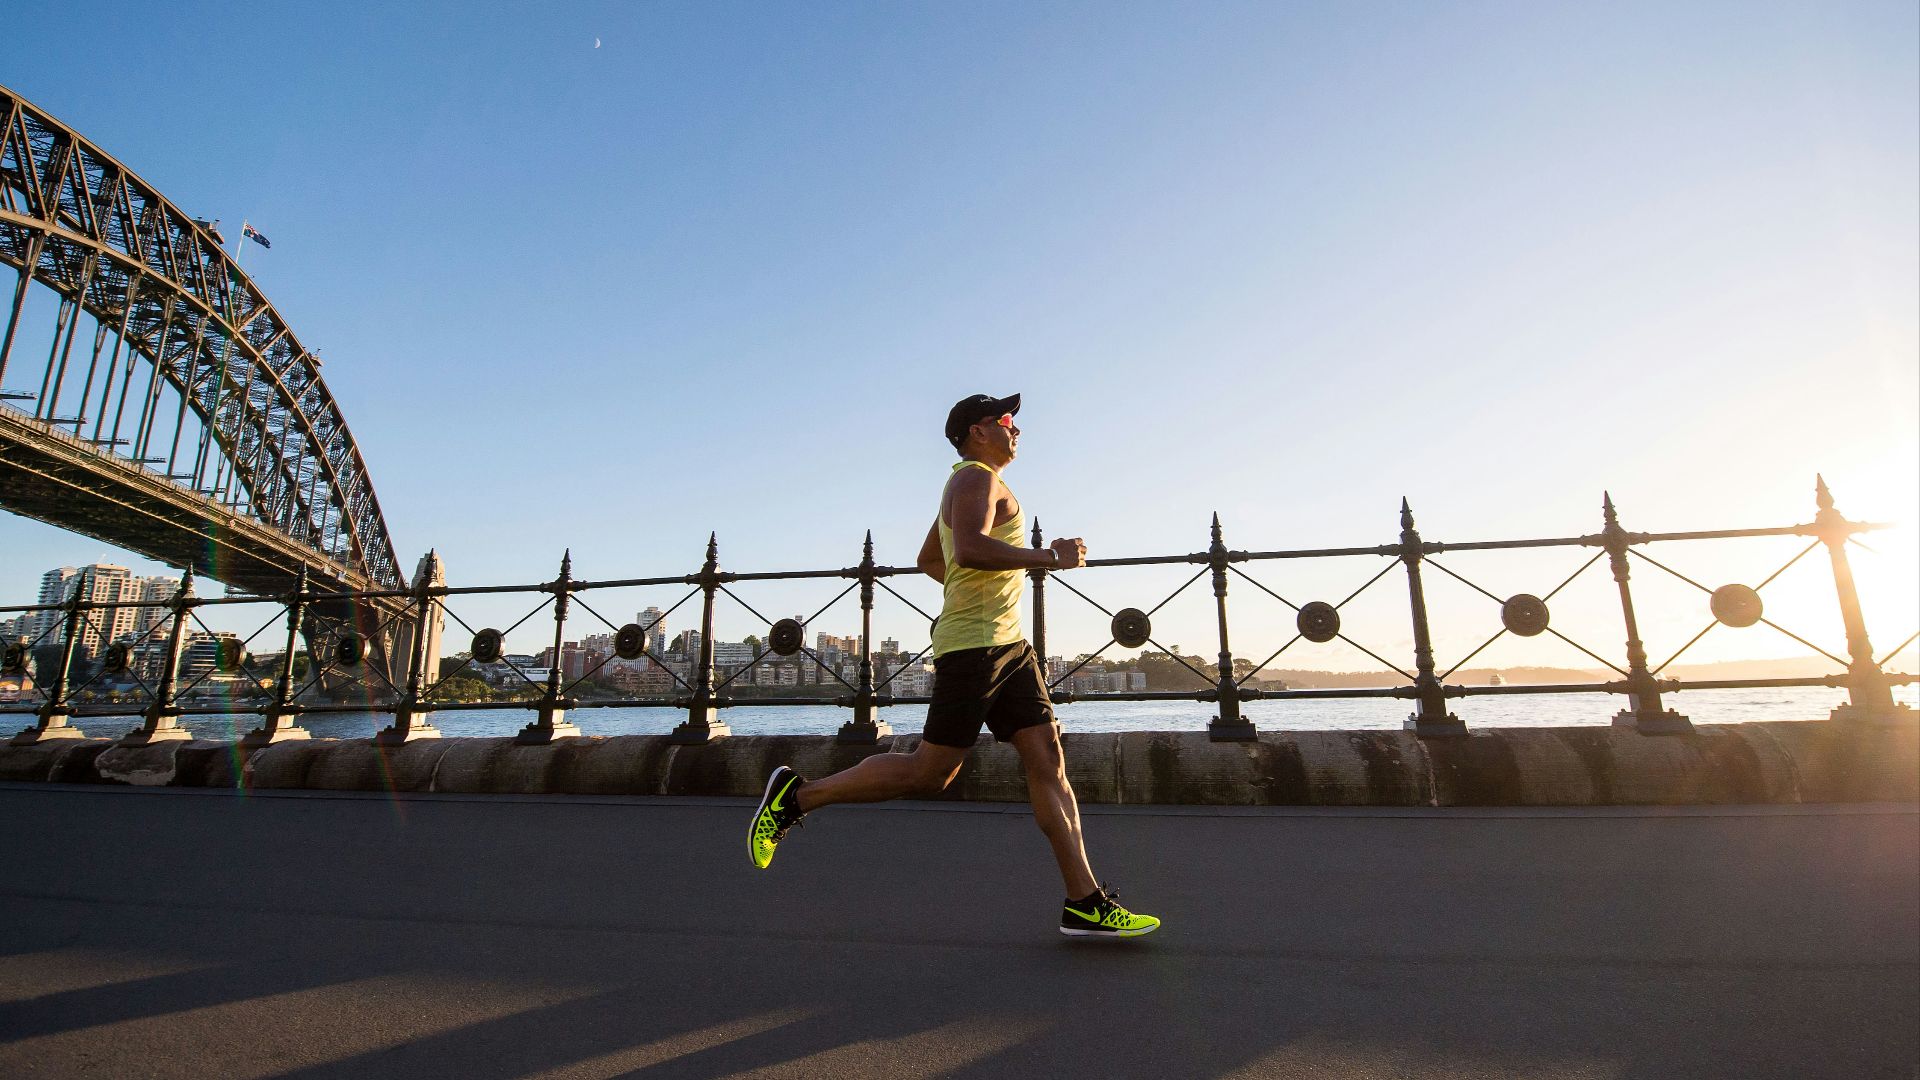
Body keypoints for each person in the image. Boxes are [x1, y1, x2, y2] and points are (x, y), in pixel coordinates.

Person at [747, 393, 1160, 939]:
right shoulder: (974, 479)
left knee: (1048, 758)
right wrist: (1048, 558)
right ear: (975, 431)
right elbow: (966, 549)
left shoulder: (978, 482)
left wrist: (978, 596)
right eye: (1005, 421)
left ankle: (1085, 901)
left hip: (1009, 646)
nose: (1016, 429)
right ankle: (795, 796)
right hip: (976, 649)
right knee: (930, 772)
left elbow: (931, 560)